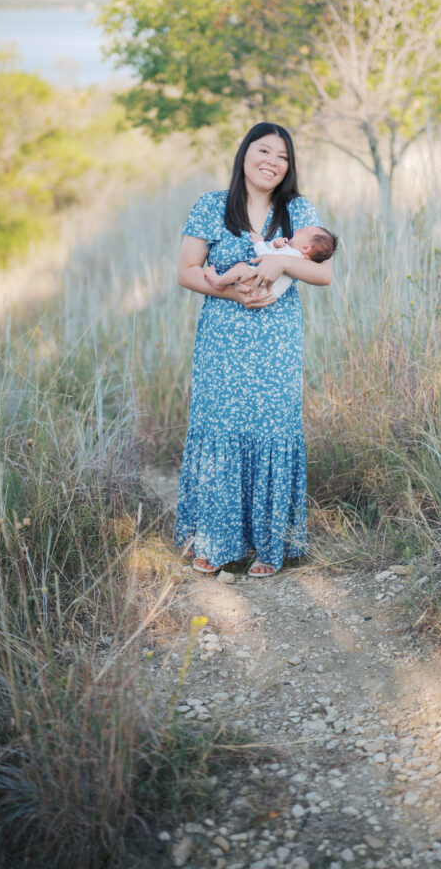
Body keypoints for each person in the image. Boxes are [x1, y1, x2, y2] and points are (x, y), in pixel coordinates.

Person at [175, 122, 333, 577]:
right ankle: (214, 540)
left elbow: (323, 274)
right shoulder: (211, 206)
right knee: (220, 424)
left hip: (276, 342)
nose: (272, 162)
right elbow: (187, 271)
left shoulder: (297, 209)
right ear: (245, 154)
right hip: (222, 338)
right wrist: (235, 294)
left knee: (271, 428)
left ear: (289, 167)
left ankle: (270, 545)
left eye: (282, 156)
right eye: (264, 151)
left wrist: (282, 260)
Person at [203, 225, 338, 298]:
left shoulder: (294, 255)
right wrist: (274, 244)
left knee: (241, 268)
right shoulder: (294, 254)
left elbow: (267, 257)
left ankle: (218, 282)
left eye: (301, 231)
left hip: (263, 287)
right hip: (267, 290)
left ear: (306, 248)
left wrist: (259, 243)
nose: (297, 229)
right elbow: (274, 255)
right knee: (241, 268)